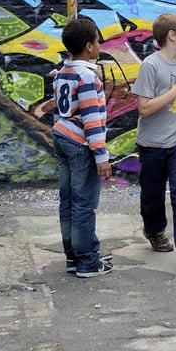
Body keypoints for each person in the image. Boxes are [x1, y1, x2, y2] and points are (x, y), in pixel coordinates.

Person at [132, 12, 176, 276]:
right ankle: (154, 230)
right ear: (171, 36)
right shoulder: (150, 66)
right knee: (151, 196)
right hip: (152, 144)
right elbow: (144, 108)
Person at [53, 17, 114, 278]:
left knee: (67, 201)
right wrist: (101, 155)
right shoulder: (87, 77)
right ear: (89, 46)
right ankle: (88, 261)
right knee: (84, 204)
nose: (100, 45)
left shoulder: (62, 73)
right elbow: (92, 119)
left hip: (62, 137)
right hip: (81, 144)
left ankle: (73, 257)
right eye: (98, 41)